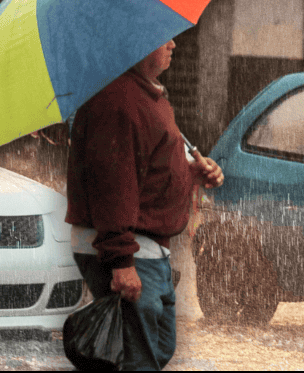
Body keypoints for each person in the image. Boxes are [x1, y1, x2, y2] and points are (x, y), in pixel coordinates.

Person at [65, 39, 224, 370]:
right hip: (129, 250)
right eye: (162, 38)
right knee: (138, 360)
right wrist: (121, 260)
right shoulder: (118, 103)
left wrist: (191, 173)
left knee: (155, 350)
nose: (173, 43)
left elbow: (148, 170)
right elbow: (112, 186)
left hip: (150, 250)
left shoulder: (148, 97)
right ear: (135, 45)